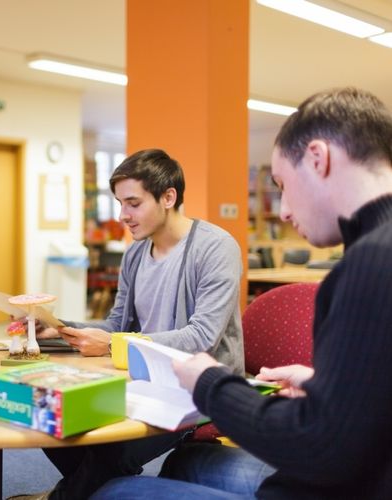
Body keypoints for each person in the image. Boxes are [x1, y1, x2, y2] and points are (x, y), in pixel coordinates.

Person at [93, 87, 392, 499]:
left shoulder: (370, 264)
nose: (284, 210)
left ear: (319, 159)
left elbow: (321, 450)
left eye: (283, 184)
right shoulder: (376, 254)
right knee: (186, 462)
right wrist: (325, 385)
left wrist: (211, 383)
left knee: (112, 493)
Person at [22, 148, 244, 499]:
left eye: (133, 203)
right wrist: (58, 327)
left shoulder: (215, 248)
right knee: (50, 418)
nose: (123, 215)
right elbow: (117, 324)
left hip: (194, 387)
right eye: (120, 204)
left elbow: (202, 336)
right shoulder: (136, 253)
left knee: (111, 451)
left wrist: (113, 344)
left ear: (168, 197)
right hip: (140, 377)